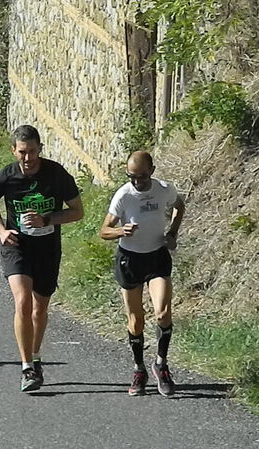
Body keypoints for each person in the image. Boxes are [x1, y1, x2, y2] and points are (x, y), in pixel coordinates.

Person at [0, 125, 84, 392]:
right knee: (23, 302)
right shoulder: (6, 176)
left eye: (33, 152)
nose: (28, 159)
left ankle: (36, 357)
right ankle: (27, 366)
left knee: (40, 309)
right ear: (13, 151)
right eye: (22, 153)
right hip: (18, 246)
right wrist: (1, 230)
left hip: (48, 248)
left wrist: (47, 219)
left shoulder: (56, 174)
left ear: (40, 149)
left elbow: (77, 212)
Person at [99, 151, 185, 397]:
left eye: (142, 177)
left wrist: (173, 233)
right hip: (130, 260)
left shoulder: (164, 189)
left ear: (153, 171)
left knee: (163, 312)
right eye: (132, 177)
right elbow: (104, 230)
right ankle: (139, 370)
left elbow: (179, 206)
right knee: (136, 320)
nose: (137, 182)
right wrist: (120, 231)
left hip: (157, 256)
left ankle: (161, 364)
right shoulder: (124, 195)